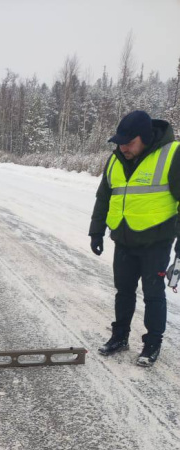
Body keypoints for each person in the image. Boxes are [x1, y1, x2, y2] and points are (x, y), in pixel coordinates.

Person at [89, 109, 180, 367]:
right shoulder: (115, 159)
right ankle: (120, 336)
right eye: (120, 142)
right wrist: (96, 230)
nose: (123, 147)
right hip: (125, 239)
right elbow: (104, 196)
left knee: (153, 294)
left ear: (145, 137)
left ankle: (152, 344)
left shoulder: (172, 155)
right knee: (124, 291)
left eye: (129, 142)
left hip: (156, 241)